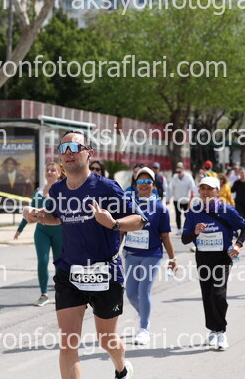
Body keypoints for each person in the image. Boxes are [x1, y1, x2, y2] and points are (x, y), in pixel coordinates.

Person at [23, 131, 146, 379]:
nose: (68, 152)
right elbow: (57, 218)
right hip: (70, 273)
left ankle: (122, 368)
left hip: (105, 272)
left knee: (107, 339)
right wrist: (36, 215)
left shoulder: (106, 187)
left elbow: (139, 220)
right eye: (63, 148)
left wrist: (113, 223)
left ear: (89, 153)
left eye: (75, 148)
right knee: (68, 342)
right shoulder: (58, 190)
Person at [182, 177, 245, 351]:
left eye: (210, 188)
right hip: (203, 257)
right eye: (203, 188)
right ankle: (213, 329)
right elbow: (184, 239)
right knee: (207, 294)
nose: (206, 192)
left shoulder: (226, 210)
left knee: (218, 293)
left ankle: (221, 332)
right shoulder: (193, 212)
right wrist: (195, 232)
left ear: (217, 192)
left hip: (222, 257)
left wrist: (237, 245)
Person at [123, 167, 177, 346]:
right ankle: (144, 314)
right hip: (131, 254)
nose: (144, 184)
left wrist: (172, 259)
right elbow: (121, 230)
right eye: (140, 181)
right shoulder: (129, 205)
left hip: (152, 255)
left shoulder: (160, 209)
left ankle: (143, 328)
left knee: (143, 290)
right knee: (131, 293)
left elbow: (165, 236)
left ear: (153, 185)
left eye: (148, 182)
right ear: (136, 184)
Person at [15, 162, 65, 306]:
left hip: (59, 231)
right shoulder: (38, 191)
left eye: (53, 170)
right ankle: (44, 294)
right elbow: (31, 212)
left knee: (59, 262)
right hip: (41, 232)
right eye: (47, 170)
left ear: (59, 173)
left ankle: (61, 293)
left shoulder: (63, 190)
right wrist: (20, 229)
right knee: (42, 261)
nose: (49, 172)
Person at [166, 164, 196, 232]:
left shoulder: (188, 177)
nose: (178, 174)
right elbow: (170, 189)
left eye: (180, 172)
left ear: (183, 170)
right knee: (178, 215)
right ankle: (179, 229)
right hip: (177, 200)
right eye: (177, 172)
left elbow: (193, 188)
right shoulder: (174, 177)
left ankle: (188, 228)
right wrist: (168, 199)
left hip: (186, 200)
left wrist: (192, 200)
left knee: (187, 215)